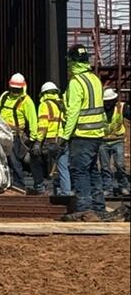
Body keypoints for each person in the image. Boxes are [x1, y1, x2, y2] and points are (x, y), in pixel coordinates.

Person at [58, 45, 108, 220]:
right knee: (93, 170)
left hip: (82, 135)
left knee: (80, 171)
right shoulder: (95, 79)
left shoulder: (76, 82)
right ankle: (99, 207)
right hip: (97, 134)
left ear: (71, 61)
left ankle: (84, 209)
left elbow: (73, 112)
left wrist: (64, 136)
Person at [0, 73, 40, 190]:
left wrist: (34, 138)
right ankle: (5, 182)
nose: (14, 91)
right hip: (1, 133)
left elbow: (33, 119)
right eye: (13, 89)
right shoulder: (4, 96)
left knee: (14, 161)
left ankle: (19, 184)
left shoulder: (26, 101)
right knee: (1, 159)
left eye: (16, 89)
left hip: (15, 135)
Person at [33, 82, 68, 196]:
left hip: (49, 141)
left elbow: (43, 125)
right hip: (61, 140)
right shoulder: (62, 105)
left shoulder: (45, 105)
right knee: (63, 168)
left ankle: (40, 187)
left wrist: (38, 142)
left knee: (35, 160)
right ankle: (65, 192)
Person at [99, 88, 130, 198]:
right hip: (103, 141)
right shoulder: (99, 109)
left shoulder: (121, 107)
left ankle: (124, 186)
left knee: (120, 165)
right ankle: (107, 189)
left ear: (114, 100)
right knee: (105, 167)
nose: (107, 103)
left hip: (117, 140)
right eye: (105, 101)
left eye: (109, 101)